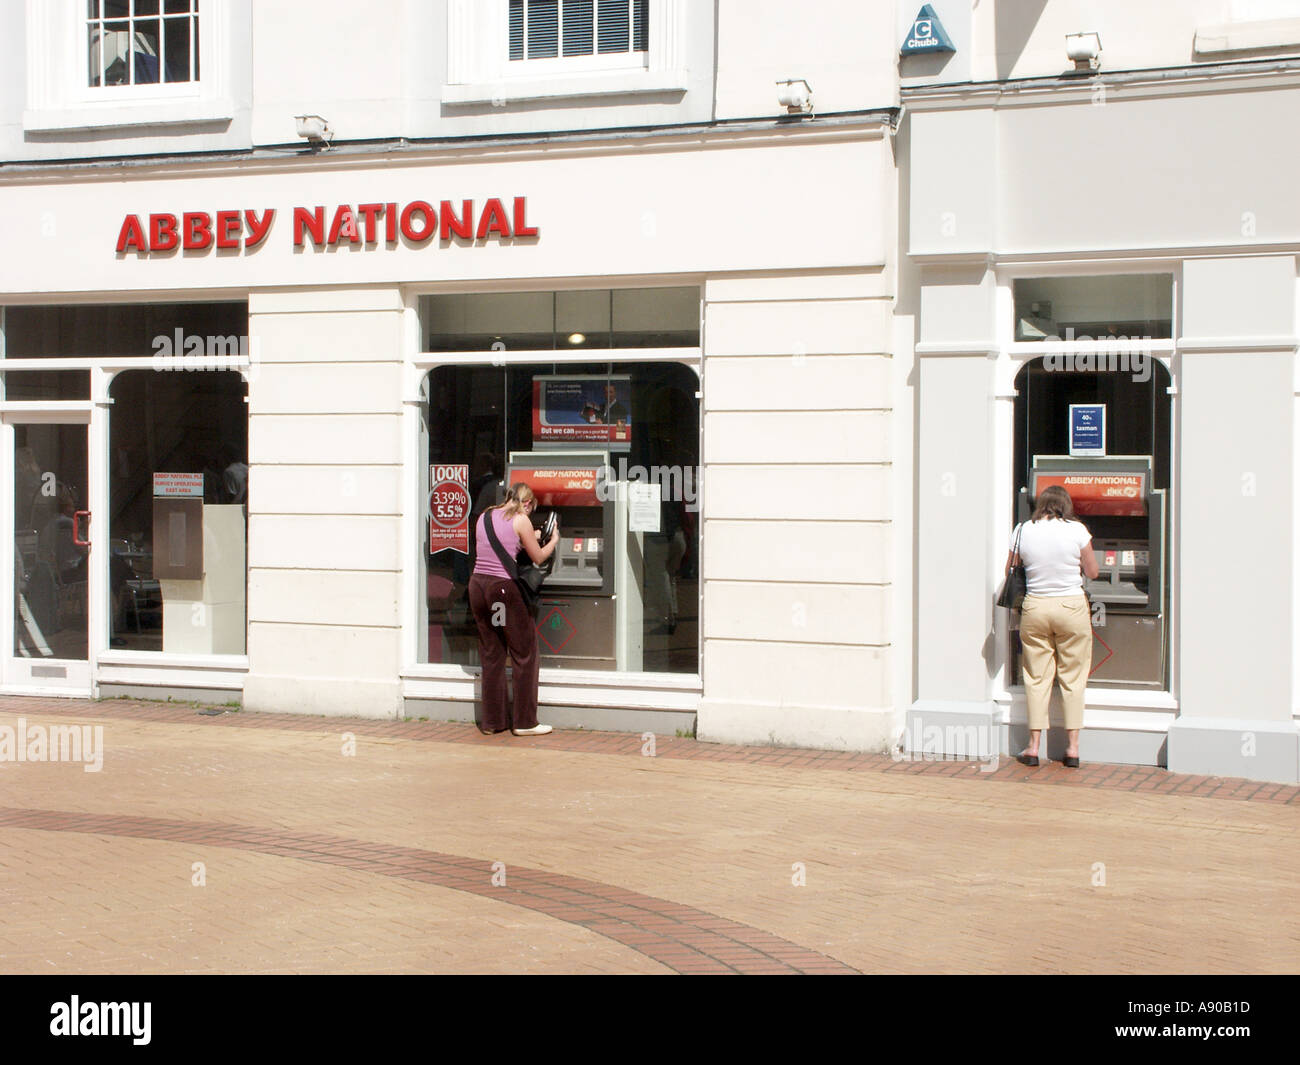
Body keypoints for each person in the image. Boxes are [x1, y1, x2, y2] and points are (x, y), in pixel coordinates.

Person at [1005, 484, 1099, 768]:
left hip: (1036, 607)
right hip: (1071, 606)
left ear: (1041, 504)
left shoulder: (1023, 530)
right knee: (1073, 678)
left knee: (1036, 677)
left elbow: (1009, 569)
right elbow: (1093, 571)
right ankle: (1072, 749)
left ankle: (1033, 747)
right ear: (1065, 505)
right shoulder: (1077, 530)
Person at [469, 482, 560, 737]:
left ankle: (492, 722)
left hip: (478, 587)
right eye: (530, 507)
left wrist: (531, 536)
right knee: (525, 654)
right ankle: (525, 722)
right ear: (527, 503)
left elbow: (498, 547)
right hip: (502, 591)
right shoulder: (521, 520)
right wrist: (552, 540)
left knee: (492, 654)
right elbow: (539, 557)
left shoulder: (485, 516)